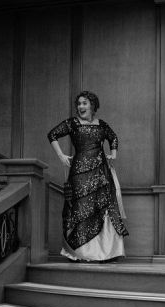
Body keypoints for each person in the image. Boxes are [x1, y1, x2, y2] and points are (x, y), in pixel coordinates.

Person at [47, 91, 128, 262]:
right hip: (79, 172)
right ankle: (81, 253)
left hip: (100, 172)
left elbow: (113, 138)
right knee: (81, 208)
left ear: (92, 105)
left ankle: (106, 253)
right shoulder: (72, 123)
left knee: (102, 206)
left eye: (84, 103)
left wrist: (113, 155)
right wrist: (61, 156)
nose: (80, 106)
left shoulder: (102, 124)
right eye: (79, 103)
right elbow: (52, 134)